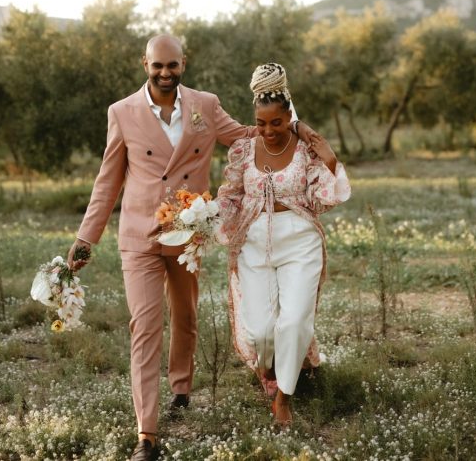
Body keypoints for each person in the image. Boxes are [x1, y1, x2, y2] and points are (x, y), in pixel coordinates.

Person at [66, 36, 314, 461]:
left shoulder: (205, 105)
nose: (165, 72)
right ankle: (147, 434)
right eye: (157, 65)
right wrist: (86, 238)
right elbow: (107, 181)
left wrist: (295, 126)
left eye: (173, 65)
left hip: (188, 237)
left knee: (185, 316)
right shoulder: (121, 112)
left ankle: (181, 387)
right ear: (145, 62)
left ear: (184, 63)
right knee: (145, 327)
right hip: (139, 236)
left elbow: (245, 135)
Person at [216, 63, 351, 426]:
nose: (269, 130)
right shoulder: (244, 150)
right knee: (260, 329)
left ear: (288, 116)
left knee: (293, 320)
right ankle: (271, 370)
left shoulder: (305, 149)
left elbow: (325, 196)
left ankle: (284, 400)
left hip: (299, 242)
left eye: (276, 122)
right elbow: (231, 195)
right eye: (261, 123)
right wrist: (206, 220)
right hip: (254, 242)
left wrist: (329, 158)